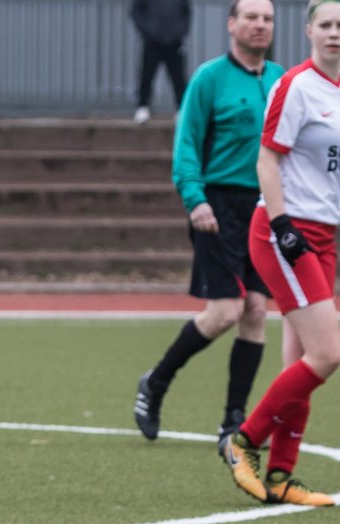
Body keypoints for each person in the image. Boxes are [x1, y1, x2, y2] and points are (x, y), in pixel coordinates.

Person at [133, 0, 282, 447]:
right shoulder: (208, 78)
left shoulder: (281, 81)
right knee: (225, 312)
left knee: (257, 311)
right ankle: (156, 381)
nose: (260, 25)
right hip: (216, 207)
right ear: (232, 24)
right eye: (251, 17)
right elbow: (186, 147)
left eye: (268, 18)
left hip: (265, 208)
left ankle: (233, 421)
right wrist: (195, 200)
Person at [222, 0, 340, 507]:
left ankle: (280, 477)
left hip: (326, 236)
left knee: (301, 359)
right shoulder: (296, 85)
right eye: (328, 24)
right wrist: (283, 222)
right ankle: (242, 440)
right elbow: (268, 158)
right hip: (283, 233)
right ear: (309, 30)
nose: (336, 33)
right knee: (329, 353)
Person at [131, 0, 192, 123]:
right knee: (146, 74)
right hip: (151, 41)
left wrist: (180, 32)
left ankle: (181, 109)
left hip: (174, 41)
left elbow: (186, 13)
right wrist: (147, 31)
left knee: (178, 76)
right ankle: (142, 107)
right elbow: (136, 12)